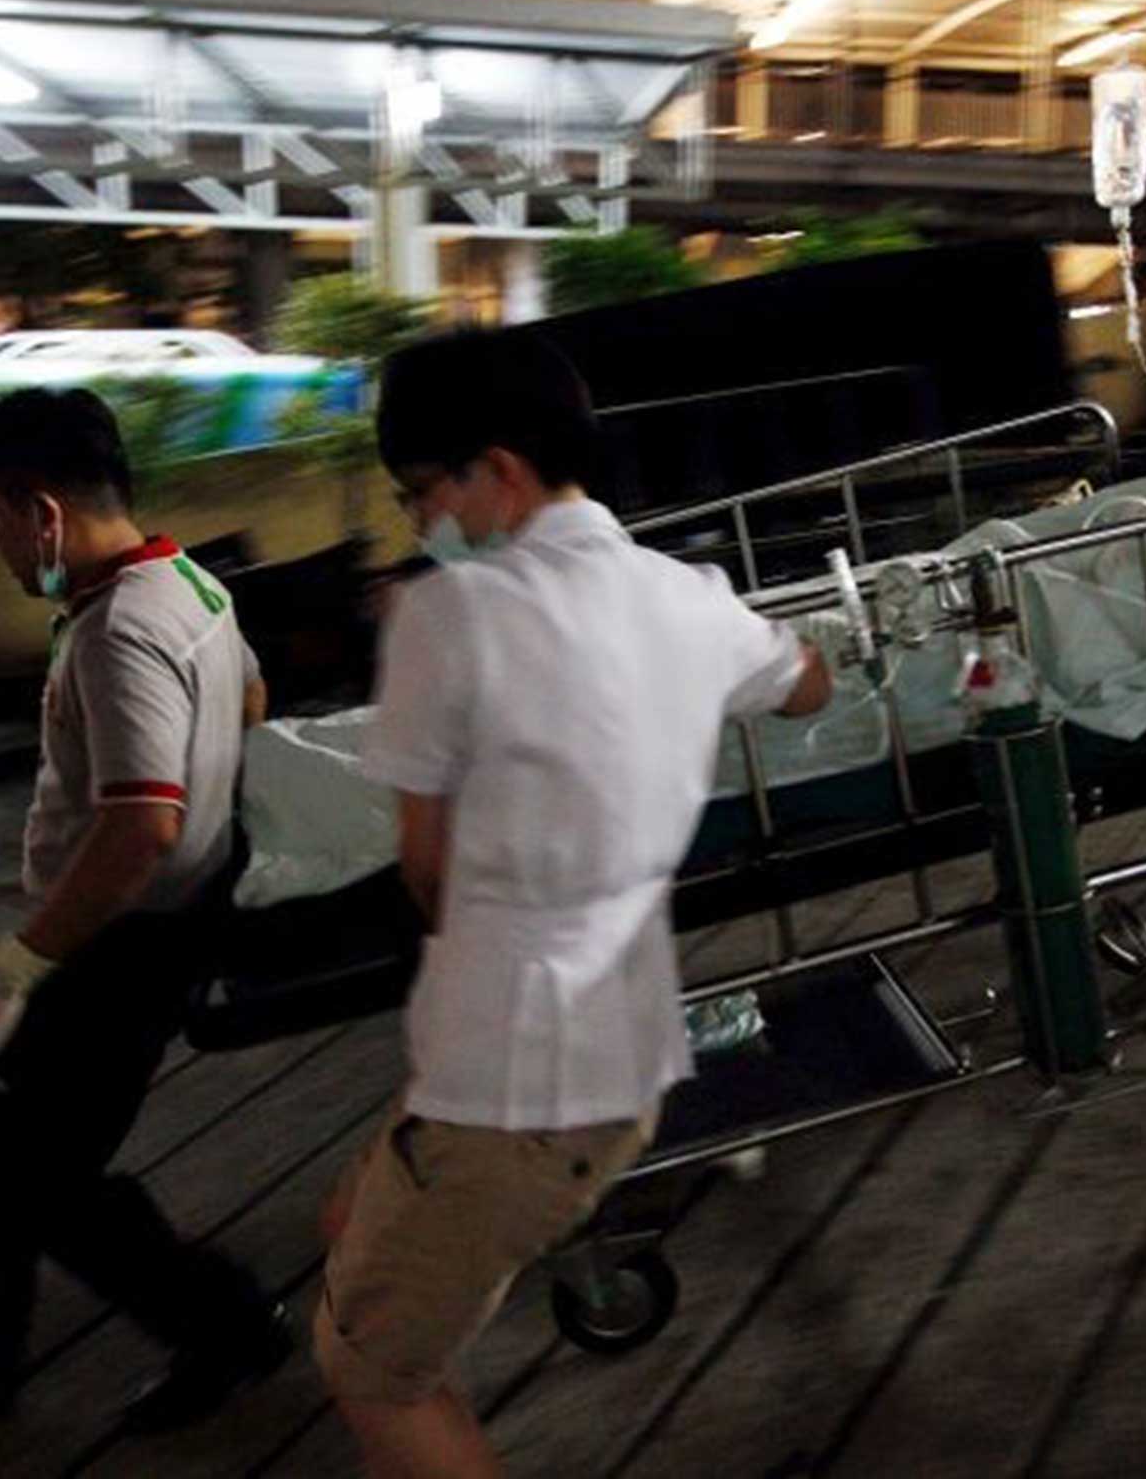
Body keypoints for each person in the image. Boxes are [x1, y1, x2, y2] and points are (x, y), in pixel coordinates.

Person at [316, 330, 832, 1479]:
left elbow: (426, 872)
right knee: (348, 1225)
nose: (416, 527)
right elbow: (807, 683)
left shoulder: (444, 620)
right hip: (619, 1063)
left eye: (418, 494)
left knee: (371, 1375)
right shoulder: (683, 595)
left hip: (506, 1078)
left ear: (494, 473)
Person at [0, 388, 289, 1429]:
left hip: (117, 943)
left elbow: (139, 827)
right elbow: (253, 700)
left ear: (41, 511)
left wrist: (24, 961)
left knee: (42, 1167)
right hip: (166, 923)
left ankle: (226, 1326)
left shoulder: (117, 632)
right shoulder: (190, 587)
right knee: (13, 1134)